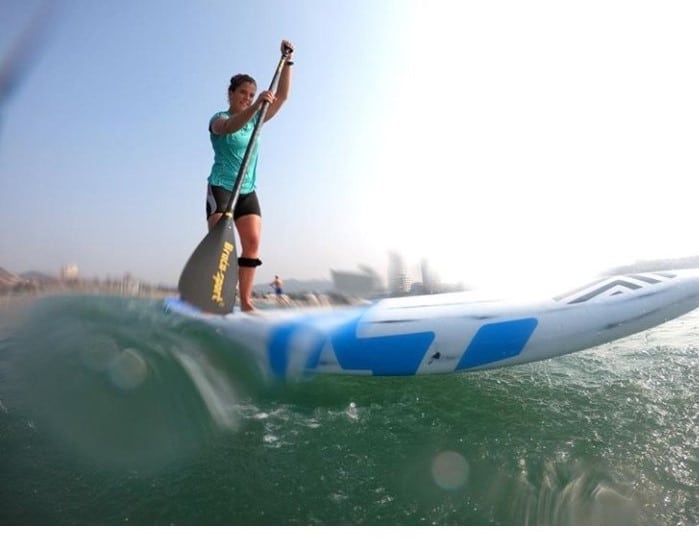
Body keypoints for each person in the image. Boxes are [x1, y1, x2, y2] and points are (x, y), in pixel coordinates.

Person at [205, 40, 294, 312]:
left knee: (252, 244)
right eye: (243, 92)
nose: (247, 97)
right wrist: (255, 107)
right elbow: (230, 127)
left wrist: (287, 61)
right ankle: (215, 297)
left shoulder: (257, 118)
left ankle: (245, 301)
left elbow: (283, 97)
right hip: (221, 188)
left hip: (247, 190)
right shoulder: (217, 118)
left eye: (252, 93)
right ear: (230, 93)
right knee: (223, 246)